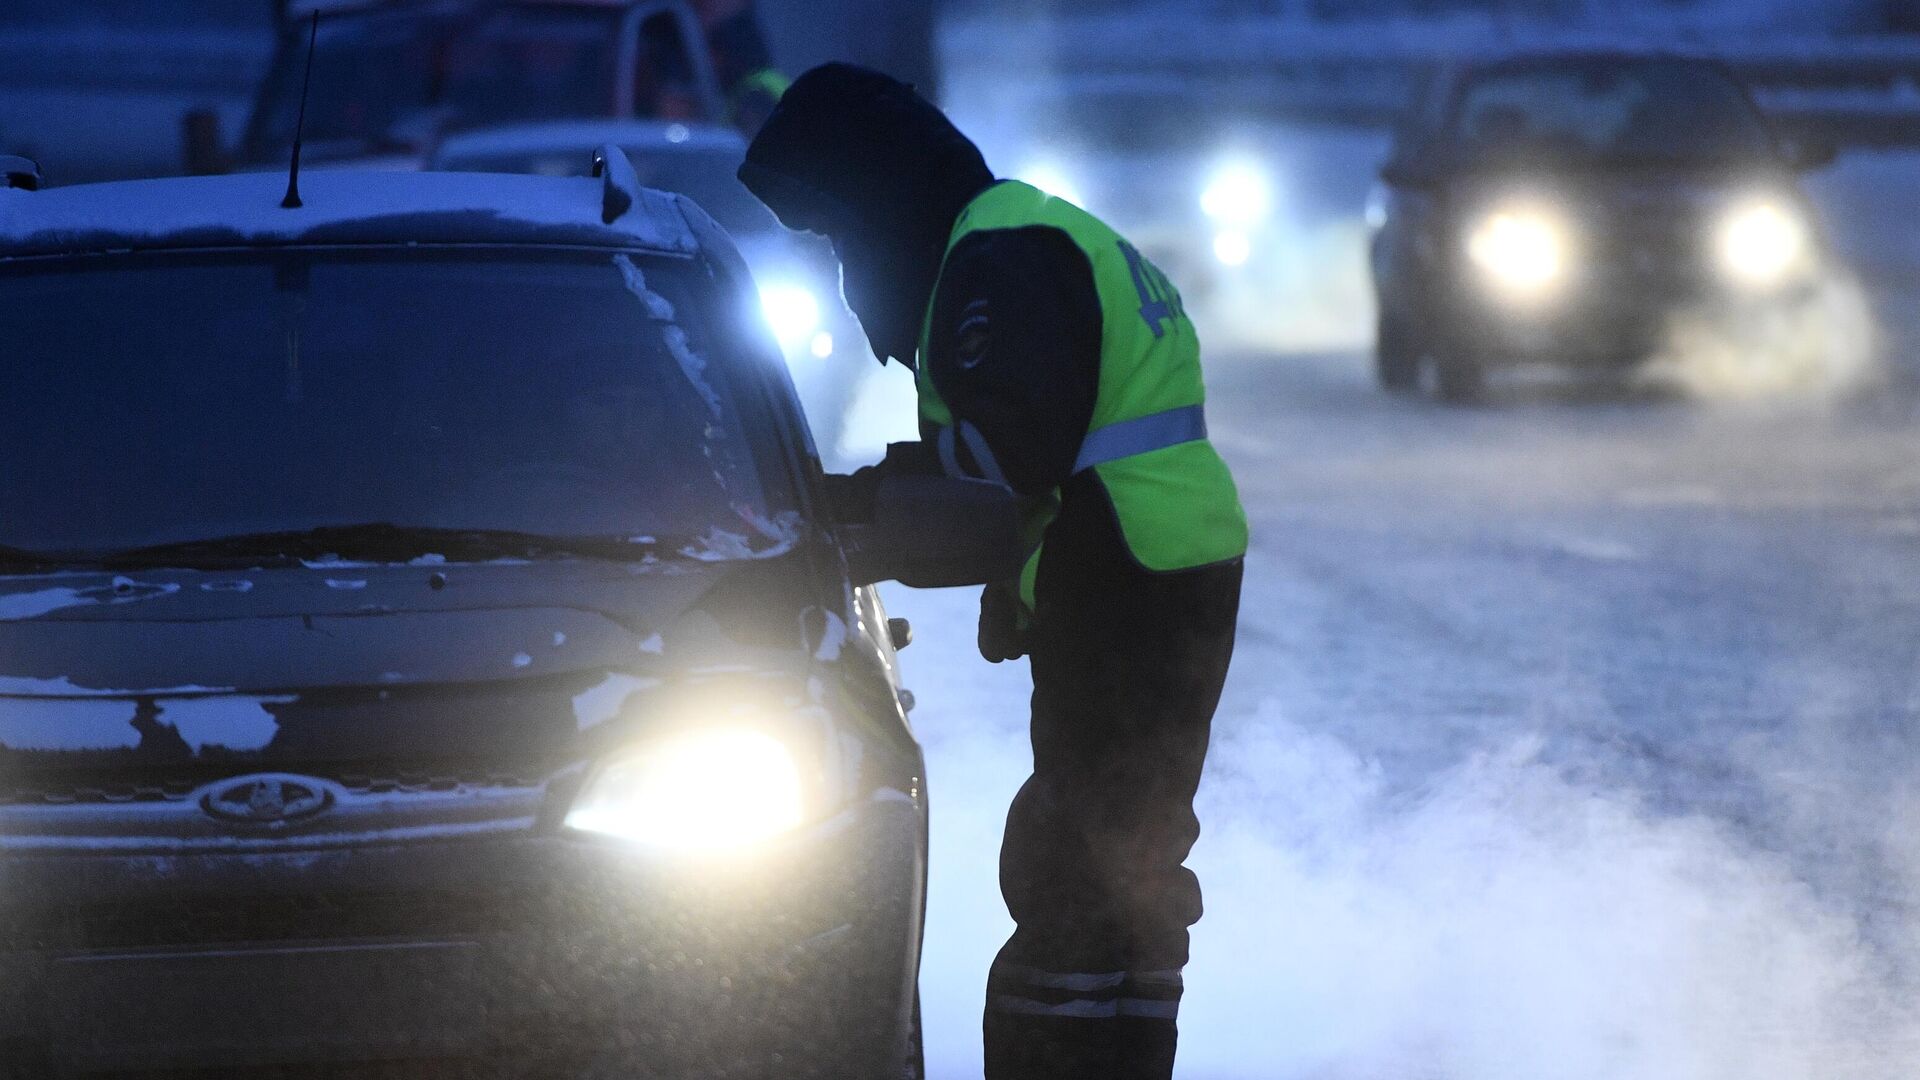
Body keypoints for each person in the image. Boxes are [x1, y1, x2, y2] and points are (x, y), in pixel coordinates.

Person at [738, 64, 1247, 1080]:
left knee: (1074, 869)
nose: (845, 262)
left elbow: (1001, 460)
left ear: (877, 198)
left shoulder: (997, 255)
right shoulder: (1020, 232)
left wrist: (856, 513)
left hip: (1124, 574)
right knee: (1126, 864)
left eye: (839, 233)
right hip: (1159, 567)